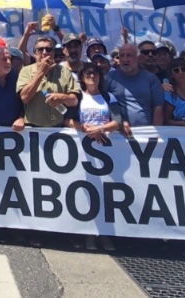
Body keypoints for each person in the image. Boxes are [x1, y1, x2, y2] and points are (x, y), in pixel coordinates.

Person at [75, 64, 121, 251]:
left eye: (95, 73)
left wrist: (99, 129)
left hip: (107, 152)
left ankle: (105, 235)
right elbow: (68, 120)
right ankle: (88, 234)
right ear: (82, 77)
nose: (92, 76)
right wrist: (84, 128)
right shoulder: (78, 97)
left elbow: (117, 121)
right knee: (87, 193)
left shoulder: (109, 97)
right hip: (83, 152)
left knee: (107, 195)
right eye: (88, 73)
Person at [17, 38, 78, 128]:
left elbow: (74, 101)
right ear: (35, 53)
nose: (45, 53)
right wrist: (41, 73)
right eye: (40, 49)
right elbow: (24, 98)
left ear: (53, 53)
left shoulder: (64, 72)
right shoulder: (26, 71)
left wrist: (63, 97)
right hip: (33, 128)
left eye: (48, 49)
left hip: (57, 128)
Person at [102, 43, 165, 129]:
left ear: (139, 58)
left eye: (129, 55)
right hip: (119, 135)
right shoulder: (108, 78)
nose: (125, 59)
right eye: (122, 56)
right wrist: (119, 121)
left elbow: (158, 107)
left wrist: (156, 132)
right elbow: (102, 104)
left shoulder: (151, 79)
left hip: (146, 134)